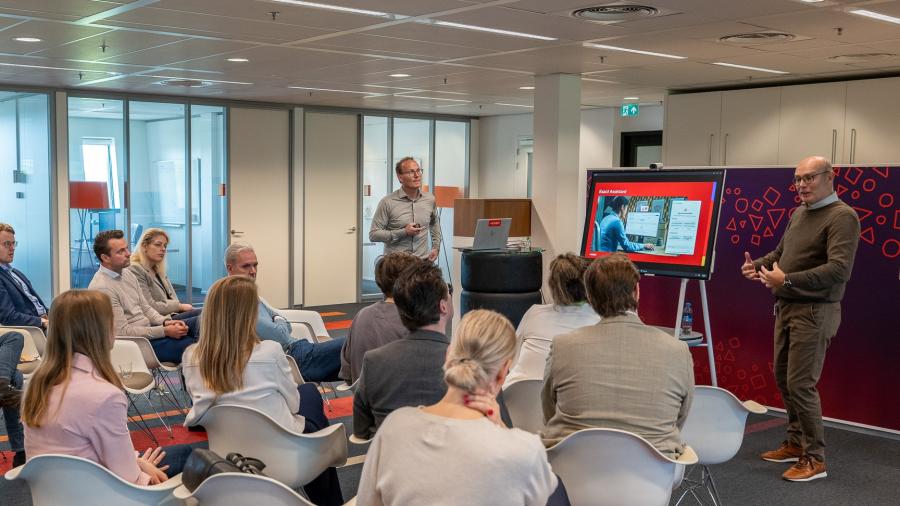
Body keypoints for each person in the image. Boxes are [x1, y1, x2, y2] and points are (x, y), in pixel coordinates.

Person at [356, 309, 564, 506]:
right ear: (502, 373)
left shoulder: (394, 427)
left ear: (448, 356)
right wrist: (502, 431)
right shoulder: (525, 451)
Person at [742, 156, 860, 482]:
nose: (802, 185)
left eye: (809, 178)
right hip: (787, 307)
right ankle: (795, 443)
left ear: (829, 177)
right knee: (784, 379)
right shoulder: (799, 213)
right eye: (797, 179)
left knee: (801, 384)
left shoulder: (843, 217)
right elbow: (781, 253)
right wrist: (760, 266)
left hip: (814, 311)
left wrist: (787, 280)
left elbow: (839, 270)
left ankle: (814, 458)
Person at [182, 275, 343, 505]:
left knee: (309, 400)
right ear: (248, 315)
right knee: (309, 393)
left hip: (225, 454)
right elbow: (294, 405)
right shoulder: (270, 351)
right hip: (283, 455)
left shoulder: (191, 357)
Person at [22, 289, 194, 484]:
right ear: (100, 330)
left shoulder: (35, 383)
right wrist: (143, 470)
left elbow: (80, 449)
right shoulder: (104, 395)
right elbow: (129, 479)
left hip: (55, 492)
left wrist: (137, 461)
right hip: (104, 494)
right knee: (187, 455)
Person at [541, 253, 694, 458]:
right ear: (637, 291)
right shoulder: (678, 350)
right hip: (653, 474)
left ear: (591, 296)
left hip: (575, 469)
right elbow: (679, 417)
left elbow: (549, 410)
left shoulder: (563, 346)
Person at [353, 261, 450, 440]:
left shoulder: (374, 361)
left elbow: (361, 431)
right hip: (454, 464)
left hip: (393, 463)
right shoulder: (471, 365)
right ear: (443, 306)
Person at [224, 243, 344, 383]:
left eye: (255, 265)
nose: (253, 271)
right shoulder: (236, 299)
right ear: (229, 268)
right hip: (293, 358)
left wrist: (277, 319)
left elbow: (285, 324)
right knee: (356, 345)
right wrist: (277, 319)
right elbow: (281, 335)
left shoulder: (250, 293)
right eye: (246, 266)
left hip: (299, 350)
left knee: (362, 359)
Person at [88, 230, 199, 364]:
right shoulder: (103, 288)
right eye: (120, 251)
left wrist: (165, 322)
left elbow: (146, 308)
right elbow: (123, 333)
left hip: (150, 334)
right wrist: (164, 331)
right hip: (137, 346)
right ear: (105, 258)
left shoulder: (127, 274)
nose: (128, 254)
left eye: (127, 248)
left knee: (206, 323)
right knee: (198, 346)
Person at [504, 253, 600, 386]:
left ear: (553, 286)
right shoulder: (600, 320)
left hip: (515, 397)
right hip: (562, 401)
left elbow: (511, 361)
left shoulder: (534, 313)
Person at [339, 252, 419, 384]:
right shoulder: (412, 321)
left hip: (364, 398)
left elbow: (346, 372)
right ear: (413, 282)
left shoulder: (361, 315)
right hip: (403, 400)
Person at [369, 157, 442, 261]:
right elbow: (373, 235)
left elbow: (434, 223)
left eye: (418, 171)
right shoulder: (387, 202)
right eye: (411, 172)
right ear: (400, 178)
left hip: (422, 263)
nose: (417, 175)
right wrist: (404, 232)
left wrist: (436, 247)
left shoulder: (429, 199)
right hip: (396, 265)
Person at [128, 228, 201, 320]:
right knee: (203, 316)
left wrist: (179, 307)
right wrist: (180, 307)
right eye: (158, 245)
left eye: (165, 246)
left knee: (206, 312)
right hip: (159, 320)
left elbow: (174, 299)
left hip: (173, 314)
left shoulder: (158, 269)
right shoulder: (136, 269)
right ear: (145, 246)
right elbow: (150, 306)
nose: (163, 249)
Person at [0, 223, 48, 330]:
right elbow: (9, 317)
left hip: (46, 321)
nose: (12, 248)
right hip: (34, 330)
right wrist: (42, 321)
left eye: (13, 243)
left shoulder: (17, 273)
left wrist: (55, 315)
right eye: (7, 244)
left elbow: (36, 305)